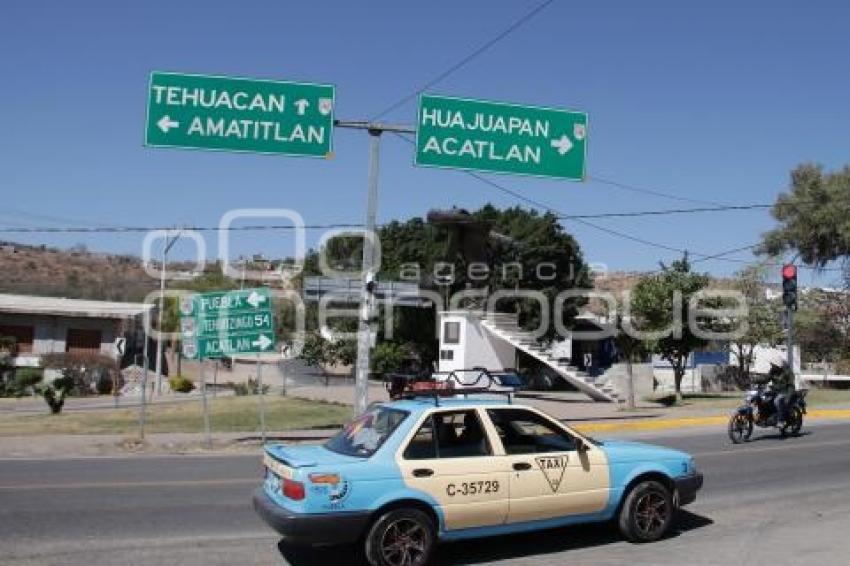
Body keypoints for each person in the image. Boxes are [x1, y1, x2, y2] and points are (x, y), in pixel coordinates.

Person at [766, 352, 795, 427]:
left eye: (773, 364)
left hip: (785, 391)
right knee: (765, 398)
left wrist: (788, 396)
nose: (771, 365)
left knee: (777, 401)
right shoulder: (773, 370)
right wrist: (755, 380)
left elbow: (791, 385)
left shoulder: (787, 372)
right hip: (775, 391)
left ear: (778, 365)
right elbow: (766, 378)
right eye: (771, 364)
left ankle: (781, 420)